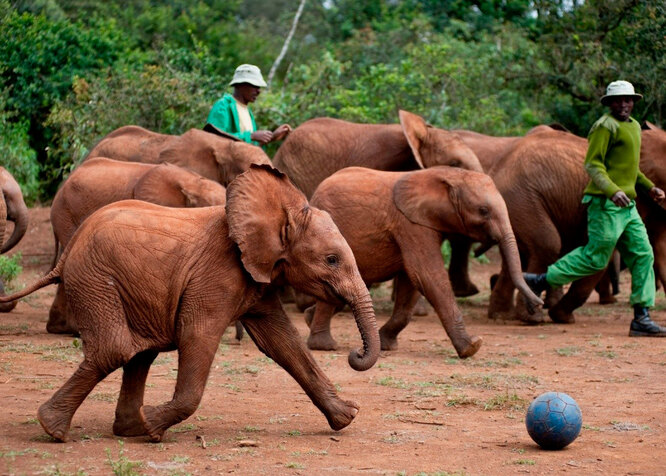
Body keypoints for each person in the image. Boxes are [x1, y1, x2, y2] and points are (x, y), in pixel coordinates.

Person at [524, 80, 666, 337]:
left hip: (629, 207)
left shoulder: (634, 127)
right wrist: (613, 191)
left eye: (628, 100)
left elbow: (629, 168)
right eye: (618, 100)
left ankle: (641, 317)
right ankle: (540, 281)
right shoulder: (604, 127)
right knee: (595, 257)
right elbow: (593, 165)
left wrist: (650, 188)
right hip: (605, 205)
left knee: (644, 255)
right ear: (609, 103)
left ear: (633, 102)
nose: (624, 104)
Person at [205, 64, 291, 145]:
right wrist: (251, 136)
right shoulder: (223, 106)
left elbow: (248, 147)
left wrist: (272, 137)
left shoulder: (248, 112)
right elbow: (213, 139)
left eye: (259, 87)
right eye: (254, 86)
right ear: (240, 85)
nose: (258, 91)